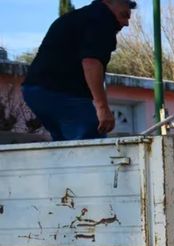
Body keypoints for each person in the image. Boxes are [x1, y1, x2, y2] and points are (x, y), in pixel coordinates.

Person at [22, 0, 136, 141]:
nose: (126, 23)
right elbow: (91, 62)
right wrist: (103, 108)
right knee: (91, 142)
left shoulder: (76, 17)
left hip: (34, 90)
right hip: (61, 91)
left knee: (66, 145)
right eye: (124, 15)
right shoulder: (101, 20)